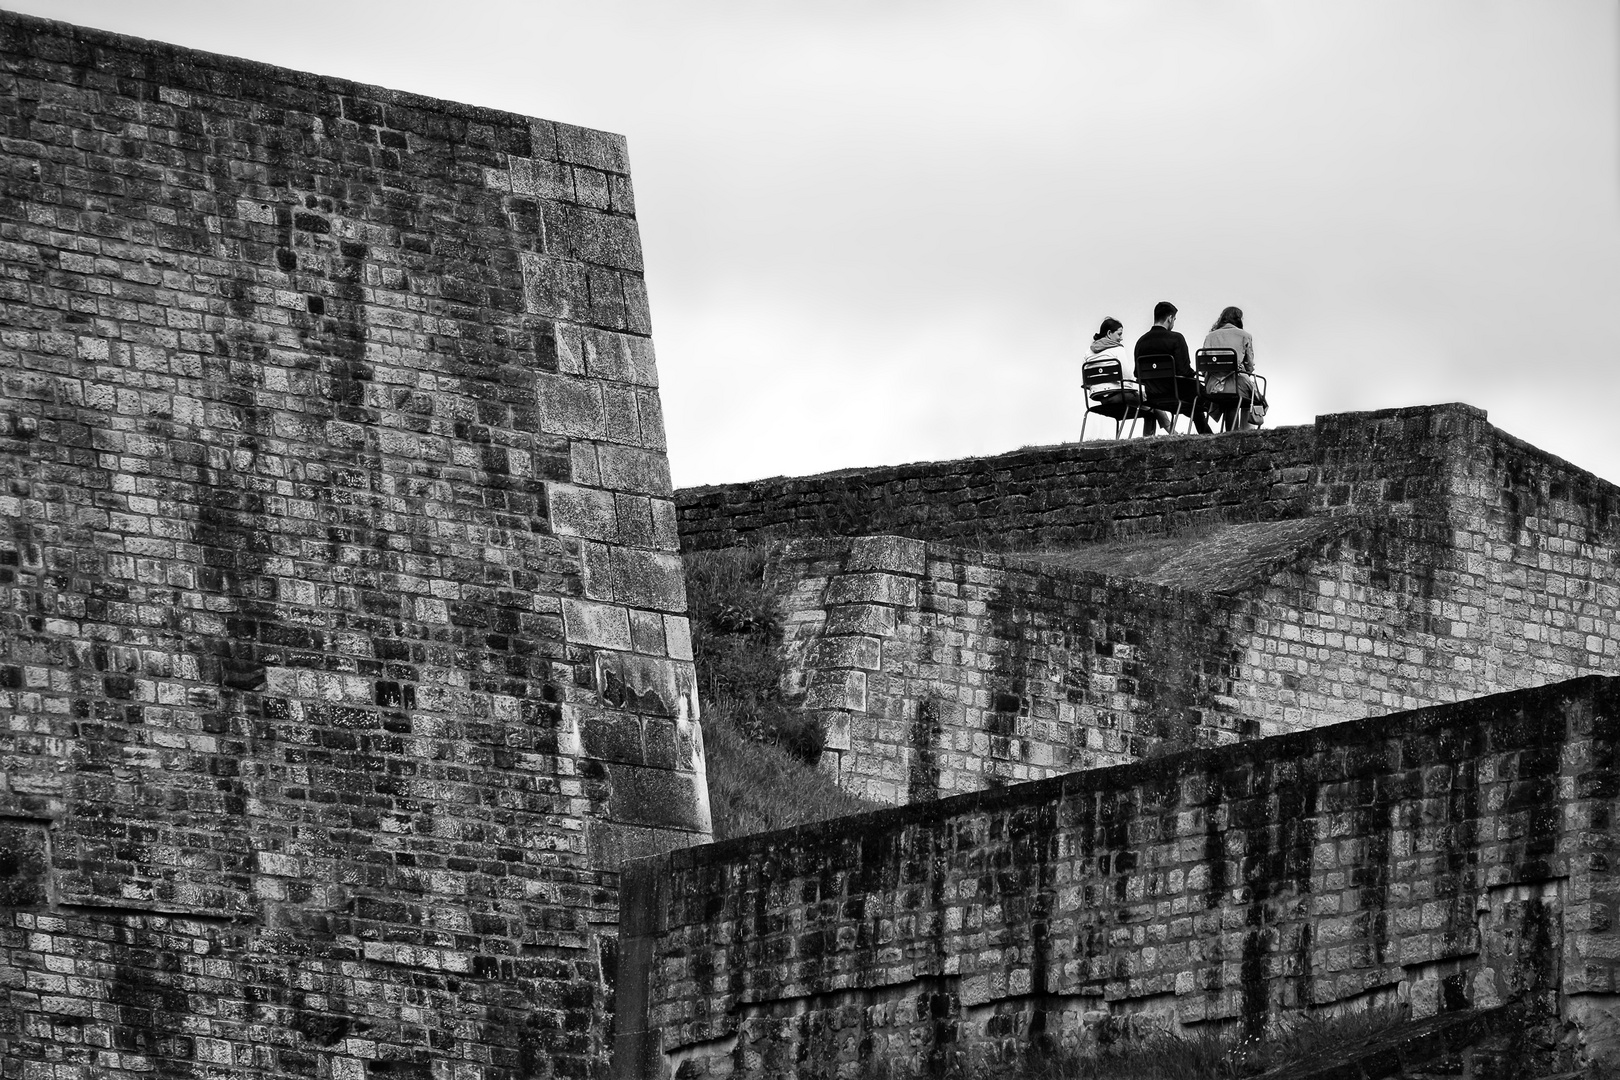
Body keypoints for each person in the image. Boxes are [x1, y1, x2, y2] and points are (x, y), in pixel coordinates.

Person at [1133, 301, 1210, 435]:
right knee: (1202, 394)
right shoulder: (1176, 338)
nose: (1173, 322)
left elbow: (1137, 373)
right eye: (1174, 319)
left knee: (1193, 398)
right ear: (1169, 318)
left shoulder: (1140, 342)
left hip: (1152, 395)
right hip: (1175, 392)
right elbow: (1184, 371)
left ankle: (1207, 433)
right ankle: (1215, 434)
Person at [1202, 306, 1258, 431]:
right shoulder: (1245, 336)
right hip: (1236, 385)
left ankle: (1233, 431)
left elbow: (1203, 368)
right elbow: (1250, 367)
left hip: (1213, 387)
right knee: (1252, 395)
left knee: (1231, 394)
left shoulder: (1210, 337)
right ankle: (1244, 432)